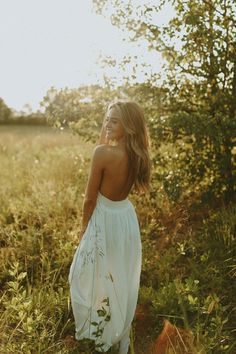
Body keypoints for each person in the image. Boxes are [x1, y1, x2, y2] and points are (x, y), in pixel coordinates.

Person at [68, 100, 151, 353]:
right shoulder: (138, 154)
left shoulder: (102, 154)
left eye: (114, 120)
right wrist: (108, 129)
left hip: (104, 217)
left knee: (82, 273)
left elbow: (89, 198)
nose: (108, 123)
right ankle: (112, 327)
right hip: (125, 217)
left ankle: (95, 329)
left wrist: (83, 229)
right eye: (107, 119)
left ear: (128, 126)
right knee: (118, 275)